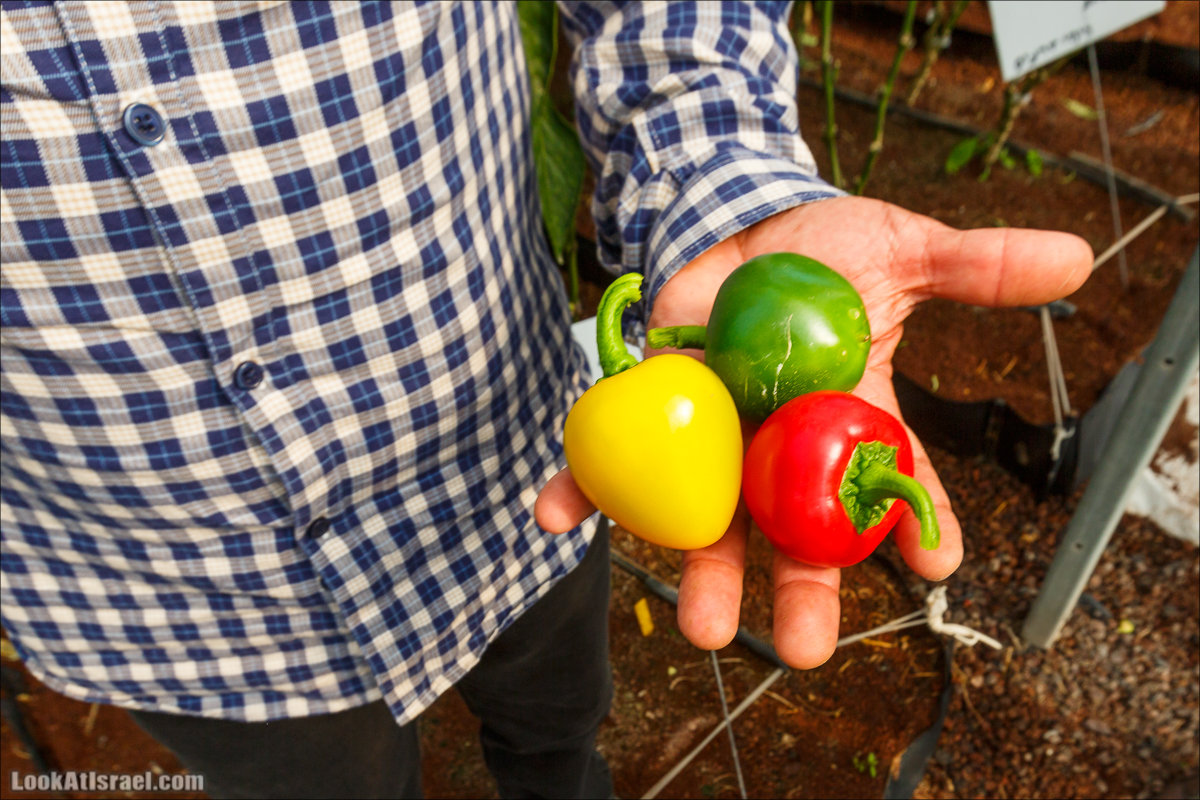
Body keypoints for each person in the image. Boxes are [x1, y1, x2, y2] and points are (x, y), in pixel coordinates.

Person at [0, 1, 1092, 798]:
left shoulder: (638, 414)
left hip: (507, 461)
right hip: (162, 591)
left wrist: (721, 165)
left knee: (563, 727)